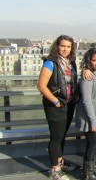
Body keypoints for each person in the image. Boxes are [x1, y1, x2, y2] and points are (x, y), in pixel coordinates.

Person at [37, 35, 78, 180]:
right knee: (56, 138)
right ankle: (54, 170)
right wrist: (55, 101)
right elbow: (41, 86)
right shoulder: (50, 62)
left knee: (61, 136)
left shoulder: (71, 62)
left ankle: (60, 163)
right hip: (56, 106)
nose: (65, 49)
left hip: (68, 104)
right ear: (57, 46)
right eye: (63, 46)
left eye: (68, 46)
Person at [75, 48, 96, 180]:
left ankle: (91, 169)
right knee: (93, 143)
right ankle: (88, 173)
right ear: (89, 61)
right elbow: (86, 100)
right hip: (91, 116)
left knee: (94, 143)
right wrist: (93, 121)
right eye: (94, 60)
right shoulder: (87, 76)